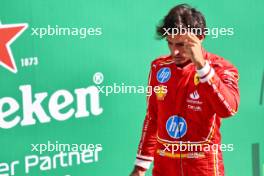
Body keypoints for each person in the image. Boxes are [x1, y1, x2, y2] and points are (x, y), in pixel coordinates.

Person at [130, 4, 240, 176]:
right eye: (170, 43)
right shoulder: (159, 67)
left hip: (204, 169)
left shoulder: (220, 68)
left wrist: (202, 67)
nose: (174, 51)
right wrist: (140, 167)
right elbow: (152, 118)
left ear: (200, 38)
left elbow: (228, 109)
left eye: (181, 44)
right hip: (164, 169)